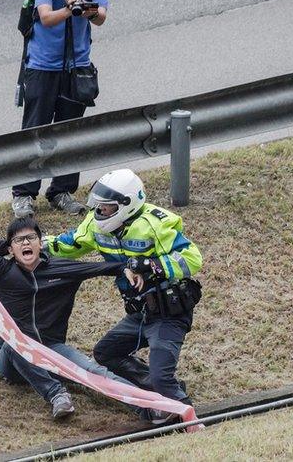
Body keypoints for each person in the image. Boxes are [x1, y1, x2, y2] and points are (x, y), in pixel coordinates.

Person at [0, 216, 160, 421]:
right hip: (13, 362)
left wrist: (123, 268)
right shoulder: (3, 270)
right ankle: (56, 394)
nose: (25, 243)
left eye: (31, 238)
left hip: (52, 351)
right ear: (10, 249)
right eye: (18, 240)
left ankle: (149, 408)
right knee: (13, 341)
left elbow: (97, 268)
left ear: (40, 243)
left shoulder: (61, 268)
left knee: (93, 370)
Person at [46, 169, 202, 413]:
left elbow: (192, 258)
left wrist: (153, 266)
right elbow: (67, 244)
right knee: (106, 353)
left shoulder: (154, 224)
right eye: (97, 207)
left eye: (105, 208)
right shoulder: (95, 226)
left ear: (126, 205)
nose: (99, 213)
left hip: (168, 314)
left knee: (163, 378)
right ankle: (154, 389)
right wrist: (32, 244)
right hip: (139, 313)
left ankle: (186, 416)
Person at [12, 0, 111, 219]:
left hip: (77, 67)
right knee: (36, 131)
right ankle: (23, 194)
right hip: (42, 66)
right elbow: (45, 17)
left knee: (70, 132)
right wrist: (69, 9)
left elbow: (101, 17)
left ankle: (61, 191)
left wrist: (85, 6)